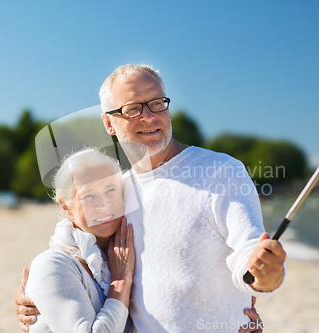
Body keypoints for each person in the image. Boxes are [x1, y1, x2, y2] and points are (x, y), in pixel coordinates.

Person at [16, 64, 285, 332]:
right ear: (109, 123)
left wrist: (266, 275)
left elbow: (248, 250)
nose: (149, 116)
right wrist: (33, 299)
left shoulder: (221, 171)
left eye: (157, 103)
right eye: (133, 109)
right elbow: (80, 254)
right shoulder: (116, 190)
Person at [24, 149, 134, 333]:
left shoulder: (128, 251)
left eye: (110, 190)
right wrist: (121, 281)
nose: (104, 204)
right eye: (88, 195)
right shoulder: (50, 266)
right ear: (66, 206)